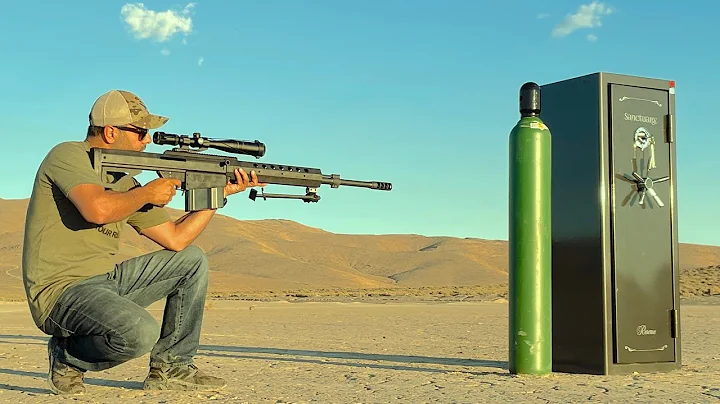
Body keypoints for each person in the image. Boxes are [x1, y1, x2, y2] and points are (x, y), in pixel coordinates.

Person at [21, 89, 265, 395]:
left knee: (191, 260)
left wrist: (217, 195)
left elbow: (176, 239)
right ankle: (68, 357)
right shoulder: (69, 155)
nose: (147, 140)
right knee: (139, 333)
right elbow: (97, 210)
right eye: (141, 132)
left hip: (107, 283)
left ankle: (172, 366)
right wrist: (147, 194)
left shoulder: (124, 181)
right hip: (60, 292)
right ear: (110, 132)